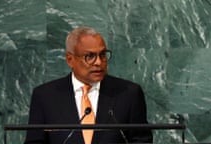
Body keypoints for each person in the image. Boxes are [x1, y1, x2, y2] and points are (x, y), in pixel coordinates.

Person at [24, 26, 153, 144]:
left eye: (102, 55)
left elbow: (141, 141)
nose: (98, 62)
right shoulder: (45, 96)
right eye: (90, 56)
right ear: (70, 59)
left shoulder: (128, 94)